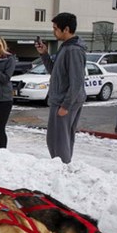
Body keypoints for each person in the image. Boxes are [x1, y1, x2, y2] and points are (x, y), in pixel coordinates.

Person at [35, 12, 87, 164]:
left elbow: (76, 81)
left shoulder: (73, 50)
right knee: (60, 138)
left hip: (64, 101)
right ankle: (63, 167)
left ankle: (62, 169)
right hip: (62, 100)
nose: (53, 31)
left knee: (58, 140)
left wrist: (66, 105)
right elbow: (55, 72)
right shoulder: (66, 48)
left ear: (66, 29)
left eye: (55, 28)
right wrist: (44, 54)